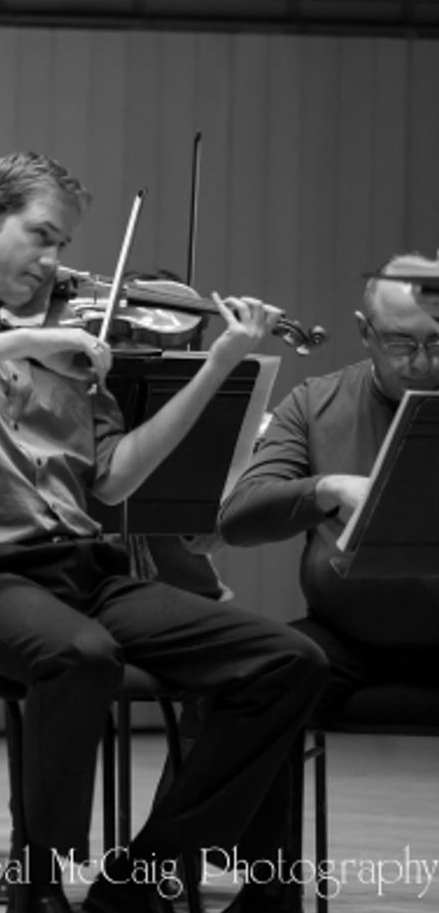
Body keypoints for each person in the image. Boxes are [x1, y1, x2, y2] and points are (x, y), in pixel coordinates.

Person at [0, 151, 328, 913]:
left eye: (63, 244)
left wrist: (220, 364)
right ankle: (39, 888)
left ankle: (138, 880)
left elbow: (114, 479)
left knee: (286, 660)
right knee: (80, 658)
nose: (55, 260)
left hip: (83, 571)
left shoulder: (70, 340)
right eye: (42, 236)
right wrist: (18, 343)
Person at [217, 253, 439, 913]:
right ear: (365, 331)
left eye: (438, 342)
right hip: (348, 638)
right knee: (260, 676)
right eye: (402, 343)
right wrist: (324, 488)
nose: (423, 361)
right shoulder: (315, 402)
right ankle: (269, 895)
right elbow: (239, 517)